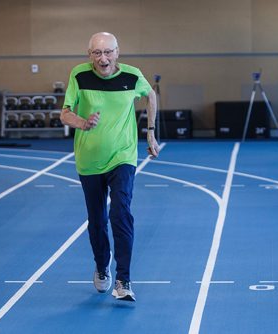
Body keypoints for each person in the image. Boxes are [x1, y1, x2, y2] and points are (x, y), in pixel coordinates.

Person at [61, 32, 160, 302]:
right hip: (89, 159)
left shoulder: (132, 75)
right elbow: (65, 112)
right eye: (96, 53)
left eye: (108, 52)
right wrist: (82, 123)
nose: (102, 59)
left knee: (120, 213)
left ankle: (123, 279)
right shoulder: (79, 75)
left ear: (117, 52)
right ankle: (102, 266)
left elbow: (151, 96)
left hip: (123, 156)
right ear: (89, 54)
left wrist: (150, 133)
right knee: (97, 220)